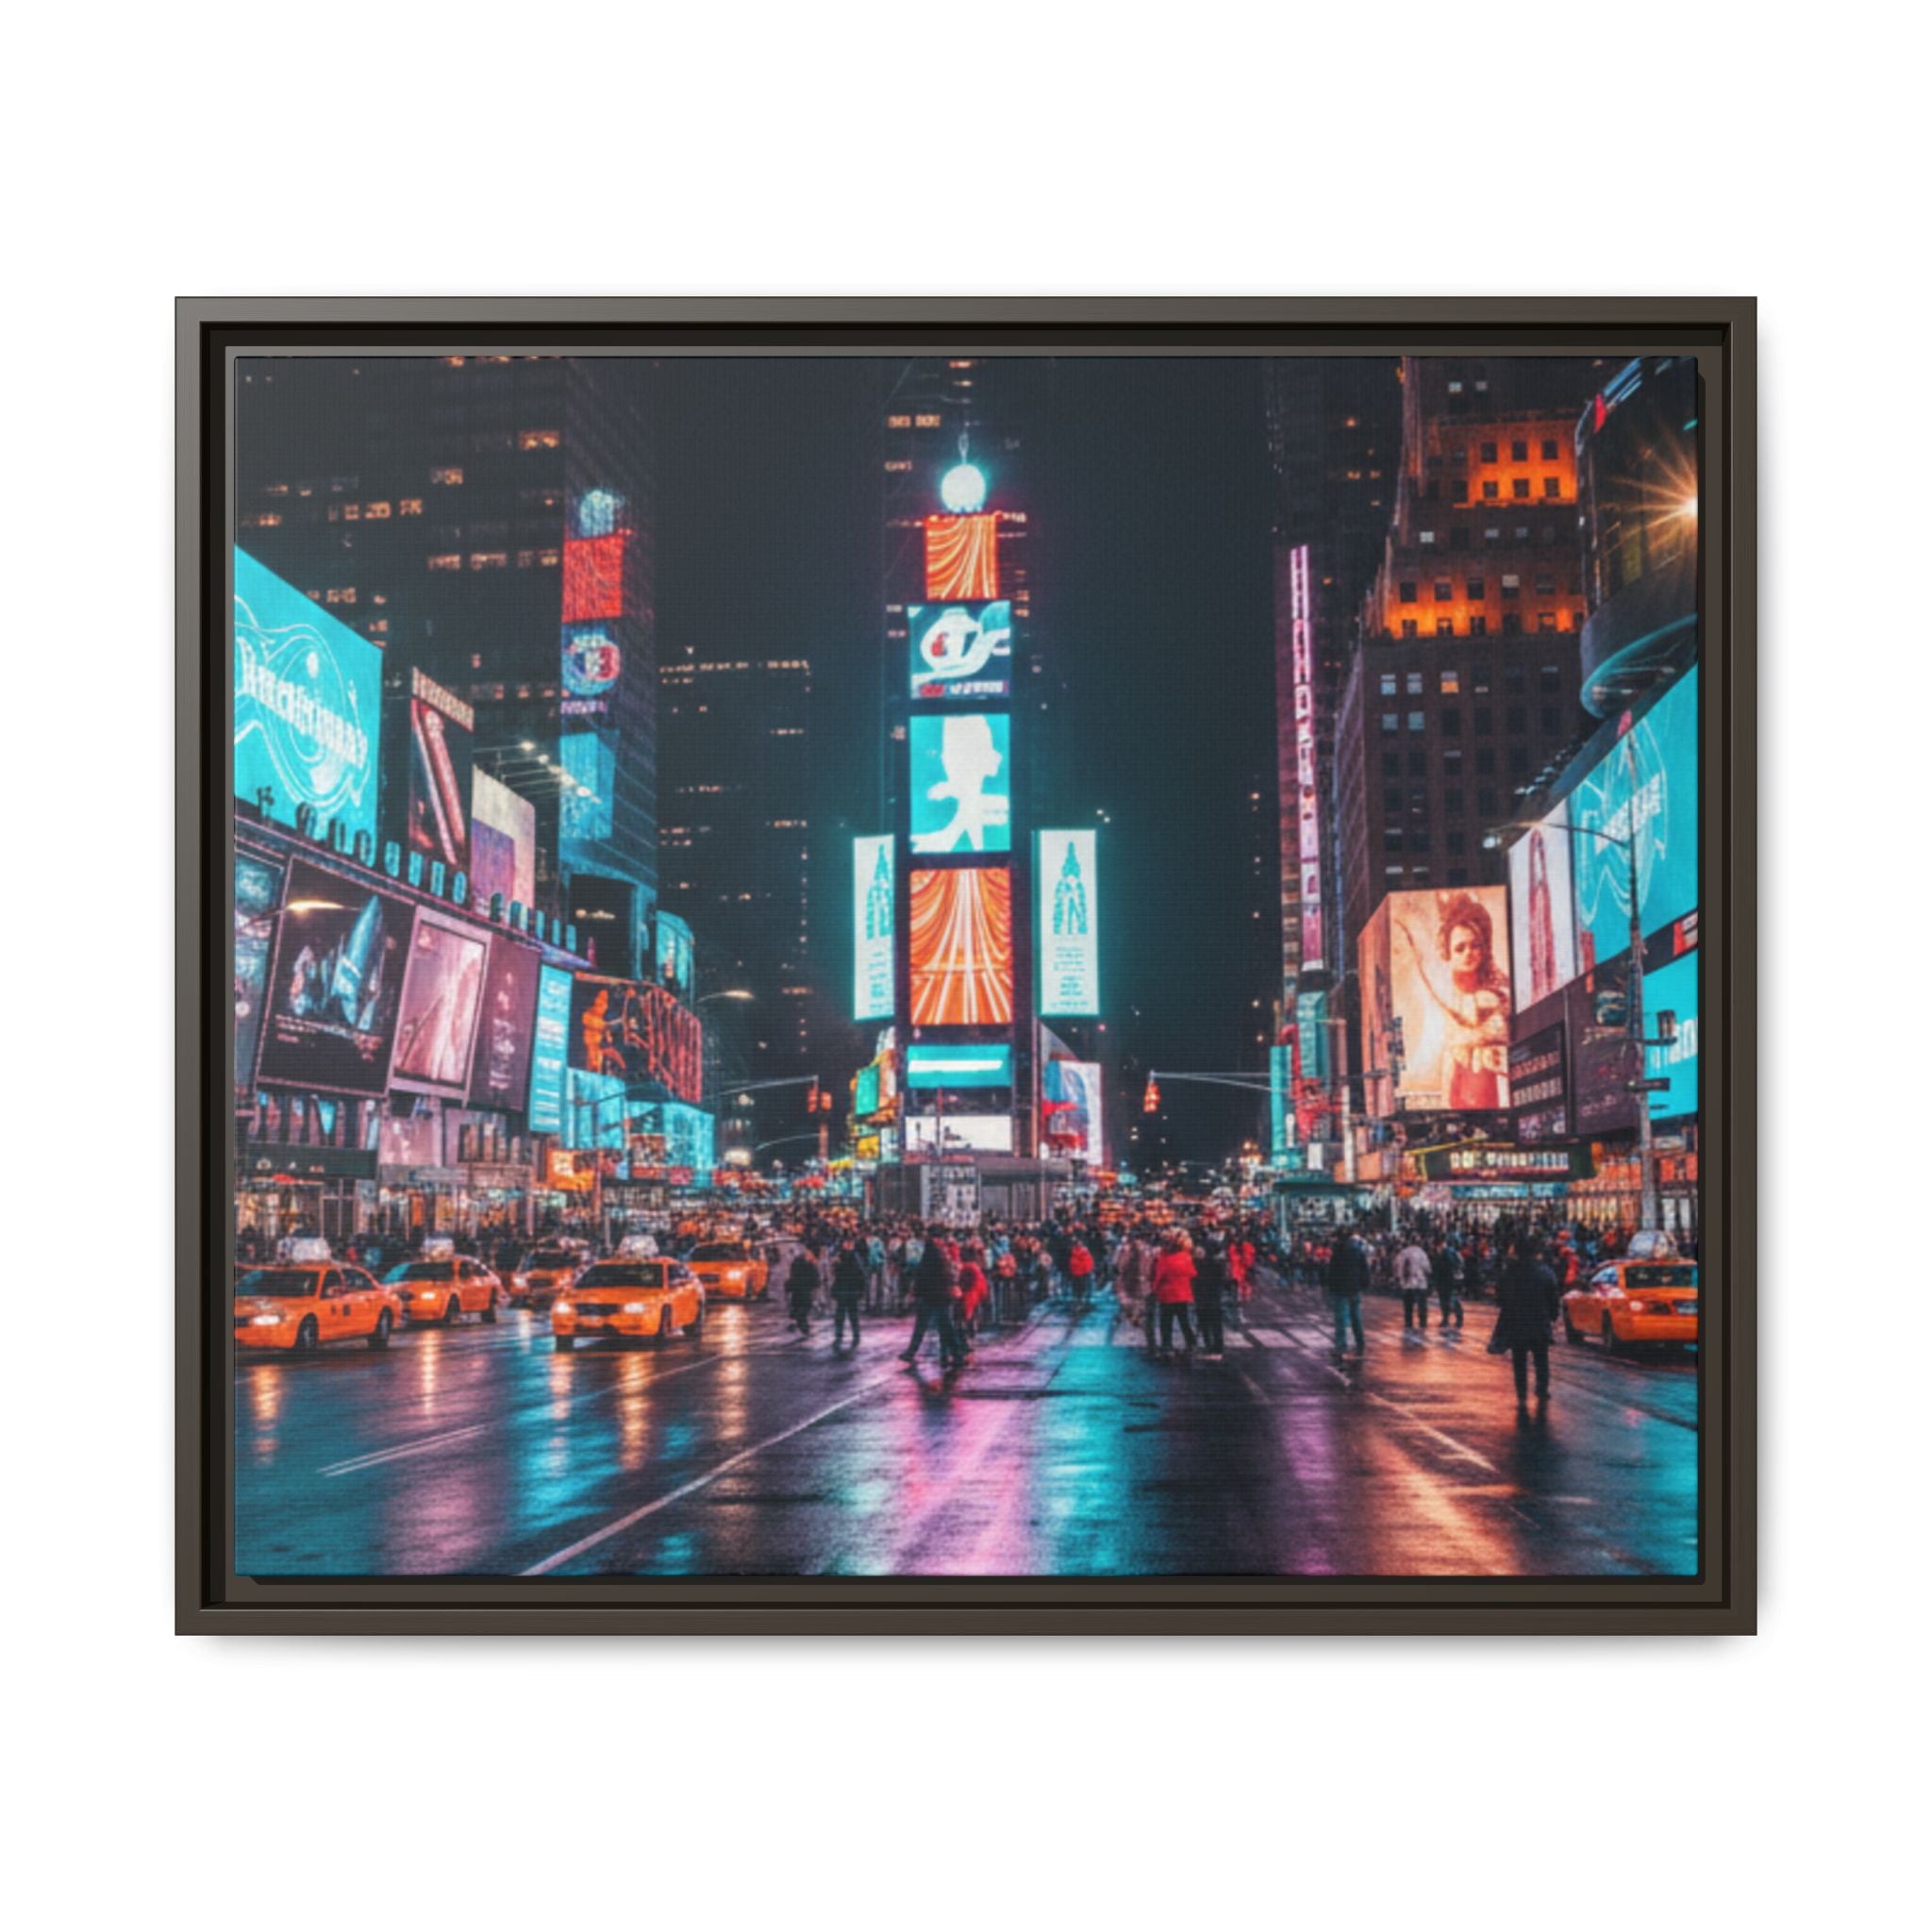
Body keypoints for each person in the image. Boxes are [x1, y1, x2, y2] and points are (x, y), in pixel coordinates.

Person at [1489, 1239, 1560, 1415]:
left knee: (1519, 1360)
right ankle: (1542, 1389)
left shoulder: (1510, 1272)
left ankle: (1522, 1393)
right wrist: (1552, 1316)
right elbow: (1553, 1297)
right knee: (1541, 1358)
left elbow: (1500, 1297)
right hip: (1539, 1320)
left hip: (1517, 1321)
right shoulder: (1545, 1272)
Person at [902, 1234, 965, 1370]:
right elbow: (948, 1276)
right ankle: (957, 1354)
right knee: (946, 1327)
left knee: (922, 1327)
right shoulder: (942, 1257)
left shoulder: (928, 1258)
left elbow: (921, 1278)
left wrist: (916, 1293)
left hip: (929, 1297)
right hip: (941, 1298)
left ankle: (911, 1352)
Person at [1150, 1232, 1198, 1361]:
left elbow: (1159, 1277)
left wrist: (1154, 1290)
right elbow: (1193, 1273)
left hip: (1167, 1295)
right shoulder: (1185, 1257)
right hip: (1182, 1294)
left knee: (1166, 1323)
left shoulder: (1164, 1259)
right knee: (1184, 1321)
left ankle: (1167, 1346)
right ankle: (1191, 1343)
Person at [1326, 1224, 1371, 1358]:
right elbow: (1364, 1269)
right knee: (1356, 1317)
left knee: (1340, 1318)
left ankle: (1341, 1346)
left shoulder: (1338, 1251)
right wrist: (1364, 1284)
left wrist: (1330, 1287)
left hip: (1341, 1289)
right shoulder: (1357, 1250)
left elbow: (1333, 1271)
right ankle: (1360, 1342)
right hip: (1355, 1288)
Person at [1194, 1233, 1230, 1361]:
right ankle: (1215, 1348)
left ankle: (1212, 1347)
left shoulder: (1204, 1264)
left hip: (1206, 1297)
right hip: (1212, 1297)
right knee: (1213, 1324)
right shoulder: (1217, 1264)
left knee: (1208, 1323)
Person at [829, 1239, 867, 1351]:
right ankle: (850, 1334)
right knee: (848, 1314)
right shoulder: (847, 1256)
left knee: (846, 1314)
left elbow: (859, 1274)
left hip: (848, 1289)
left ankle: (845, 1335)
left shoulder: (848, 1257)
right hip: (848, 1290)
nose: (847, 1245)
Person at [1395, 1233, 1433, 1331]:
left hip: (1407, 1284)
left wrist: (1400, 1279)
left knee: (1408, 1306)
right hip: (1420, 1284)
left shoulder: (1403, 1253)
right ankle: (1422, 1323)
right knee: (1422, 1305)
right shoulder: (1422, 1253)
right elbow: (1428, 1269)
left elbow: (1398, 1266)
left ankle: (1409, 1323)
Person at [1433, 1236, 1467, 1331]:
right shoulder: (1452, 1252)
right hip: (1450, 1280)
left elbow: (1444, 1267)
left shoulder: (1446, 1253)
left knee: (1448, 1300)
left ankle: (1449, 1319)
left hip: (1446, 1280)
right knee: (1449, 1300)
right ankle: (1453, 1319)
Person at [784, 1248, 819, 1337]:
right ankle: (804, 1330)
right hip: (803, 1291)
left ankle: (797, 1325)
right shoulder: (806, 1264)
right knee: (802, 1310)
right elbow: (815, 1280)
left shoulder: (798, 1262)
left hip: (798, 1290)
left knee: (798, 1308)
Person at [1068, 1236, 1095, 1310]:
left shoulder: (1074, 1253)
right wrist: (1088, 1270)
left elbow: (1072, 1264)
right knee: (1083, 1288)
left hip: (1077, 1274)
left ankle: (1078, 1302)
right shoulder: (1084, 1253)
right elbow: (1089, 1263)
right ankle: (1082, 1302)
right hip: (1083, 1274)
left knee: (1077, 1290)